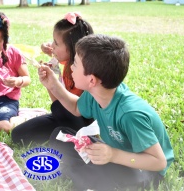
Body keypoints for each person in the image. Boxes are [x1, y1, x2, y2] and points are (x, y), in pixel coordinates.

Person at [38, 34, 174, 190]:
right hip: (114, 153)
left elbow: (158, 162)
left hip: (144, 169)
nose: (71, 67)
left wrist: (113, 155)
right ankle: (82, 170)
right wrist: (53, 85)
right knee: (60, 134)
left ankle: (78, 171)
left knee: (98, 176)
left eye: (75, 63)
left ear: (92, 80)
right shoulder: (94, 93)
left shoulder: (130, 114)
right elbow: (76, 108)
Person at [11, 12, 94, 145]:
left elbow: (75, 109)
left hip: (83, 122)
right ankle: (62, 134)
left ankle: (69, 136)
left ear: (73, 48)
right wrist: (49, 84)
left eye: (56, 43)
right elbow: (57, 102)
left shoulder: (85, 72)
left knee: (60, 109)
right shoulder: (67, 64)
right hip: (64, 116)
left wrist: (54, 84)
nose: (52, 46)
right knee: (18, 136)